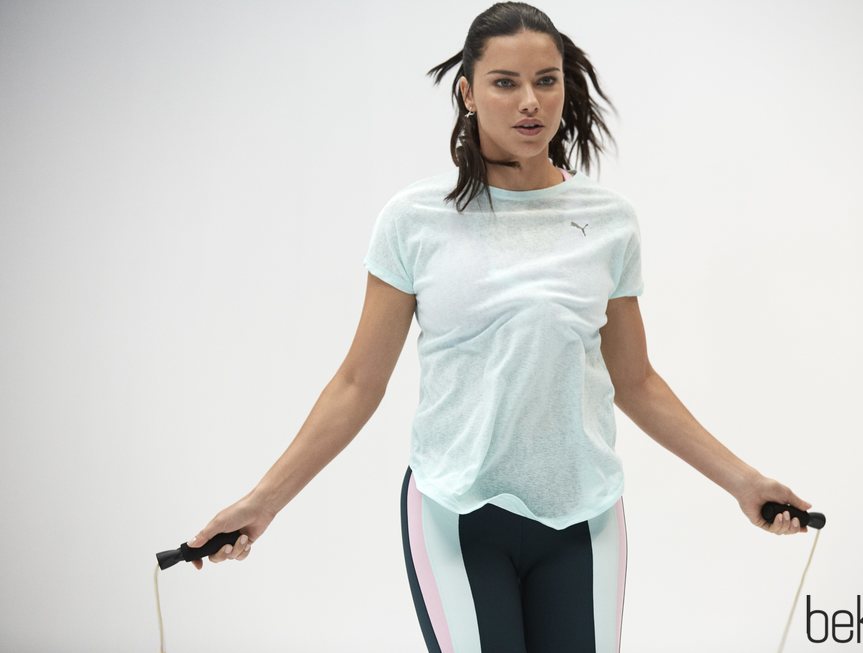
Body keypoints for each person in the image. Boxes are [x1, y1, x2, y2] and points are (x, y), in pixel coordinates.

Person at [187, 3, 812, 652]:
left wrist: (744, 482)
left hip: (584, 519)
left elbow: (637, 382)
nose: (529, 102)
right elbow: (356, 384)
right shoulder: (414, 221)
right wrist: (263, 501)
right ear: (467, 92)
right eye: (505, 82)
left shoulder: (609, 222)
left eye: (546, 80)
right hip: (455, 515)